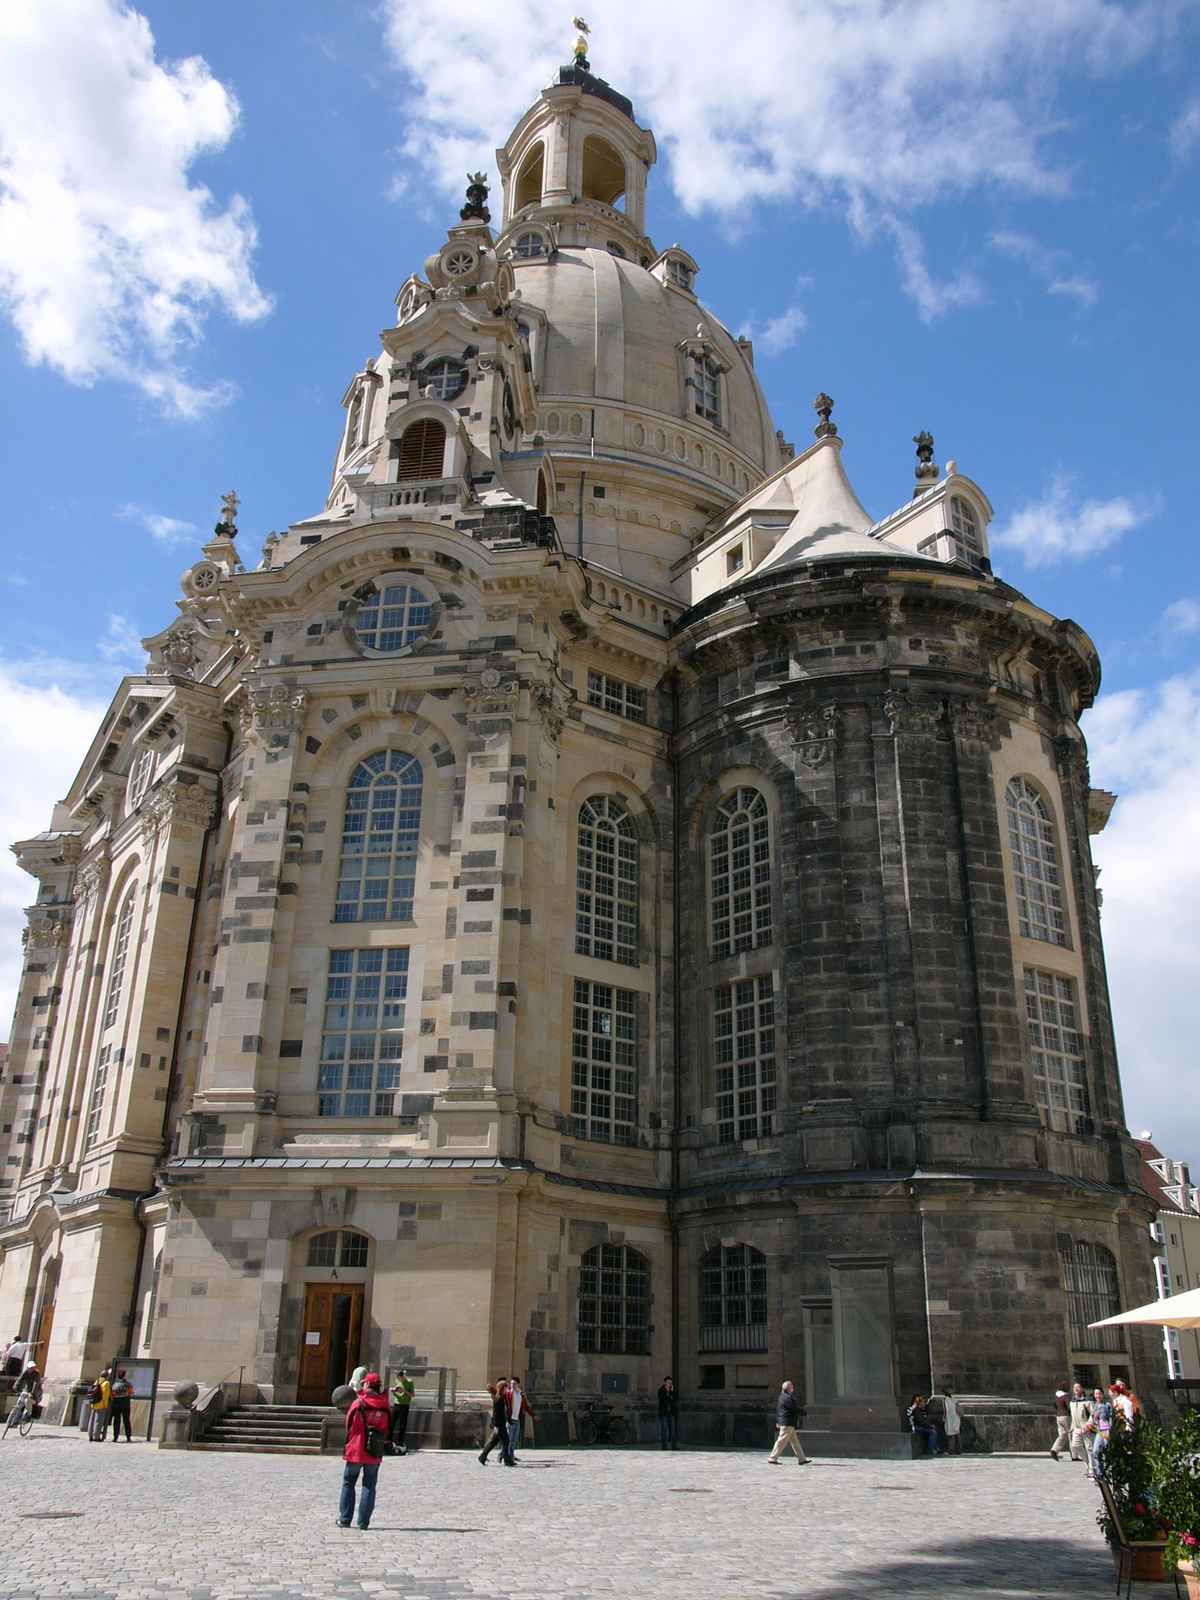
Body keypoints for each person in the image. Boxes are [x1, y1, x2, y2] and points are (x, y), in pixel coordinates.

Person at [339, 1372, 390, 1530]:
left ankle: (345, 1519)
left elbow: (349, 1424)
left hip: (356, 1449)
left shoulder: (359, 1403)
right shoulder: (385, 1406)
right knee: (369, 1485)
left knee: (349, 1483)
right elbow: (386, 1428)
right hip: (374, 1451)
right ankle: (363, 1522)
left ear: (367, 1385)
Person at [767, 1380, 811, 1464]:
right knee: (781, 1441)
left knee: (795, 1442)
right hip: (787, 1423)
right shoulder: (787, 1397)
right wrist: (804, 1412)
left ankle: (802, 1459)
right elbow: (793, 1408)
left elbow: (779, 1410)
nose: (793, 1388)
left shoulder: (782, 1396)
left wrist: (778, 1421)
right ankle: (772, 1458)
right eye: (792, 1386)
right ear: (789, 1388)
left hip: (787, 1423)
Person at [478, 1380, 509, 1465]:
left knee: (493, 1442)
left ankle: (482, 1457)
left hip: (499, 1423)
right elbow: (496, 1412)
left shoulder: (499, 1397)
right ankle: (507, 1460)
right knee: (506, 1441)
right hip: (500, 1424)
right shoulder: (499, 1398)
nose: (507, 1389)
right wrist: (497, 1424)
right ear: (502, 1388)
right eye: (506, 1387)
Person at [505, 1376, 534, 1464]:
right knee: (509, 1440)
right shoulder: (508, 1394)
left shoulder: (521, 1394)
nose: (512, 1385)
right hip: (510, 1420)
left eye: (514, 1384)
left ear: (518, 1384)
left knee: (514, 1440)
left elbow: (525, 1406)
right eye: (511, 1383)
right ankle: (510, 1458)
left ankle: (505, 1455)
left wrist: (533, 1415)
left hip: (517, 1420)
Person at [1086, 1386, 1112, 1481]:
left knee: (1106, 1452)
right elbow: (1092, 1418)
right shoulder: (1094, 1406)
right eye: (1096, 1394)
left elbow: (1110, 1419)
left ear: (1102, 1394)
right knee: (1096, 1451)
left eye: (1099, 1393)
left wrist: (1110, 1432)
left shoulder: (1107, 1405)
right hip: (1099, 1432)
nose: (1098, 1395)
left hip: (1106, 1431)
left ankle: (1109, 1473)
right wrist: (1088, 1425)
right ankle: (1100, 1473)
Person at [389, 1366, 414, 1455]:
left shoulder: (409, 1382)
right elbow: (397, 1394)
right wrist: (394, 1391)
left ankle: (400, 1442)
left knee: (402, 1425)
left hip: (405, 1405)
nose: (400, 1379)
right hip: (396, 1404)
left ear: (403, 1376)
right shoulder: (397, 1381)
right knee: (392, 1423)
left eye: (401, 1377)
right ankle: (389, 1441)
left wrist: (404, 1390)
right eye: (398, 1378)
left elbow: (412, 1395)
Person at [931, 1385, 962, 1455]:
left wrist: (944, 1418)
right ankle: (958, 1450)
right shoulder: (953, 1399)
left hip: (950, 1418)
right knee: (956, 1434)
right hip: (955, 1418)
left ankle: (952, 1450)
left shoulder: (945, 1399)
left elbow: (945, 1410)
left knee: (951, 1435)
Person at [1067, 1382, 1091, 1463]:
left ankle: (1091, 1468)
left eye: (1078, 1387)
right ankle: (1088, 1463)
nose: (1076, 1389)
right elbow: (1073, 1416)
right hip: (1076, 1428)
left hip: (1086, 1428)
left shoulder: (1087, 1401)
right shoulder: (1071, 1402)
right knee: (1075, 1446)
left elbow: (1093, 1414)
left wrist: (1088, 1425)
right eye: (1074, 1387)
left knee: (1089, 1449)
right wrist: (1072, 1427)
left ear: (1082, 1389)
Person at [108, 1367, 133, 1442]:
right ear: (124, 1375)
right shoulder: (128, 1384)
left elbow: (112, 1394)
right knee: (126, 1421)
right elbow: (131, 1393)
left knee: (116, 1421)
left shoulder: (114, 1384)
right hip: (125, 1405)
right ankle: (128, 1437)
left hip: (116, 1405)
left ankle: (115, 1437)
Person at [87, 1369, 111, 1442]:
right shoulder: (106, 1383)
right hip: (101, 1405)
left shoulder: (96, 1381)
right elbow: (106, 1396)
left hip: (94, 1403)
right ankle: (96, 1437)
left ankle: (90, 1435)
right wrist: (106, 1406)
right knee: (98, 1421)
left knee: (92, 1420)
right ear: (107, 1376)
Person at [657, 1375, 678, 1450]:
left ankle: (674, 1446)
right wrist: (668, 1394)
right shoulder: (661, 1390)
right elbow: (664, 1400)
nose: (670, 1384)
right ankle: (664, 1447)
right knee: (664, 1430)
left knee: (672, 1430)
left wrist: (671, 1392)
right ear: (665, 1383)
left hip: (671, 1413)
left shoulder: (672, 1391)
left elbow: (675, 1400)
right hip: (663, 1413)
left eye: (671, 1383)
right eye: (668, 1383)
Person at [1049, 1388, 1070, 1459]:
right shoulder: (1066, 1396)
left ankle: (1054, 1449)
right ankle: (1074, 1455)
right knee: (1071, 1434)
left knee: (1062, 1435)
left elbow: (1054, 1405)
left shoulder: (1056, 1396)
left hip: (1058, 1416)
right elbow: (1069, 1406)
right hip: (1066, 1416)